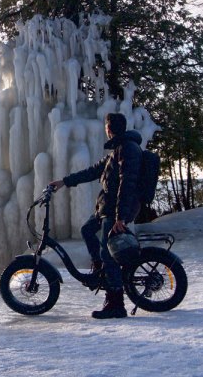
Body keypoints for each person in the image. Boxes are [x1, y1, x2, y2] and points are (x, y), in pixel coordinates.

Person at [49, 113, 142, 319]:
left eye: (106, 127)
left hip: (116, 211)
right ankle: (101, 272)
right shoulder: (116, 151)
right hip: (107, 208)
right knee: (87, 230)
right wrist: (64, 181)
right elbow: (92, 171)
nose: (105, 130)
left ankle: (116, 303)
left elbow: (128, 185)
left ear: (109, 129)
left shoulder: (128, 150)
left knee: (108, 254)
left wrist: (120, 218)